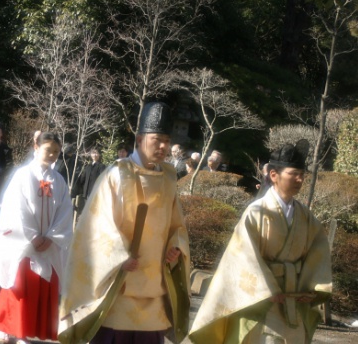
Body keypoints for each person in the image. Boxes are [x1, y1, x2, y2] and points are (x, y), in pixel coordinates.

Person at [59, 102, 191, 344]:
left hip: (154, 285)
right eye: (156, 139)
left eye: (166, 140)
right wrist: (118, 256)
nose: (163, 146)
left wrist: (176, 245)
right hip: (120, 284)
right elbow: (97, 226)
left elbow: (176, 223)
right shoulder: (116, 174)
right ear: (139, 139)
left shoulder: (169, 177)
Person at [189, 139, 332, 344]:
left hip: (293, 298)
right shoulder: (257, 212)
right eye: (294, 174)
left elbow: (318, 252)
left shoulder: (306, 217)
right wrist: (267, 289)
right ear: (274, 175)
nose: (300, 180)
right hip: (261, 298)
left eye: (302, 176)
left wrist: (312, 289)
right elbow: (242, 255)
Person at [0, 132, 73, 344]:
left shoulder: (59, 181)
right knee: (19, 286)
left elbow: (64, 212)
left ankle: (29, 328)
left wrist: (52, 237)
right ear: (36, 147)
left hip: (49, 244)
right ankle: (17, 330)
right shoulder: (23, 175)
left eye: (56, 151)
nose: (52, 155)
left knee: (40, 286)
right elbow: (16, 208)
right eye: (48, 150)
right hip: (23, 243)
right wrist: (33, 237)